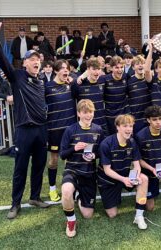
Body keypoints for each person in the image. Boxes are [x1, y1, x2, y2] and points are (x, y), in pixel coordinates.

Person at [0, 15, 51, 219]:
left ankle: (35, 197)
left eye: (38, 59)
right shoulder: (17, 77)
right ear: (25, 64)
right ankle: (15, 203)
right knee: (20, 168)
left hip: (41, 130)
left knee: (39, 166)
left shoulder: (40, 82)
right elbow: (3, 62)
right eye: (32, 60)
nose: (36, 62)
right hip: (24, 130)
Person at [60, 99, 103, 238]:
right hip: (72, 170)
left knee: (88, 215)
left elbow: (102, 153)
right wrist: (74, 148)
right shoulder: (70, 130)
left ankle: (78, 195)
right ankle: (71, 221)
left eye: (90, 112)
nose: (88, 115)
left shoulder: (98, 130)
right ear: (79, 114)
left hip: (89, 172)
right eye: (85, 112)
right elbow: (62, 154)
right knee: (66, 191)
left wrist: (93, 156)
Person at [98, 114, 149, 229]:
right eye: (125, 126)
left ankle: (139, 216)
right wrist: (123, 179)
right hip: (109, 180)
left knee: (143, 179)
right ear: (117, 127)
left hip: (125, 175)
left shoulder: (132, 142)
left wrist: (135, 176)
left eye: (131, 126)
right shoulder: (106, 144)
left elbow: (137, 164)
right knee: (112, 214)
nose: (128, 129)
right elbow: (107, 170)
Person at [45, 60, 77, 202]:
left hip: (70, 130)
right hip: (54, 130)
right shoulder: (47, 87)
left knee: (69, 160)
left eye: (67, 68)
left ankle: (69, 188)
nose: (66, 71)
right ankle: (52, 188)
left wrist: (74, 81)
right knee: (54, 160)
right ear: (55, 71)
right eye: (63, 68)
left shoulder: (71, 85)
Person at [73, 58, 108, 135]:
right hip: (85, 125)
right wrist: (82, 76)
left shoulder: (103, 81)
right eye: (94, 69)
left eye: (98, 69)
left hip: (101, 123)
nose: (97, 72)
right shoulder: (79, 83)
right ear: (88, 69)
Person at [98, 56, 130, 134]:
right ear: (111, 68)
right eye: (116, 67)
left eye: (121, 67)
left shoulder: (126, 77)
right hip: (110, 116)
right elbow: (90, 79)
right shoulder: (104, 79)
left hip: (123, 114)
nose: (119, 70)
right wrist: (81, 77)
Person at [127, 55, 151, 133]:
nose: (140, 65)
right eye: (137, 64)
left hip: (149, 117)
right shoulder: (129, 82)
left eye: (142, 63)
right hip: (136, 118)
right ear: (133, 67)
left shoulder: (150, 79)